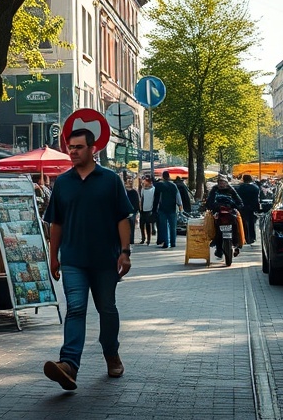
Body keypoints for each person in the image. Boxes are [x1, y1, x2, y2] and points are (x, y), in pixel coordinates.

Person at [42, 128, 133, 391]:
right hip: (73, 260)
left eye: (78, 147)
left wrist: (125, 253)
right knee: (76, 309)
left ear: (93, 149)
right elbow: (55, 223)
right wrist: (53, 257)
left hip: (106, 259)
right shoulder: (62, 182)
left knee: (107, 309)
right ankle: (68, 365)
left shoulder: (110, 180)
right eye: (70, 147)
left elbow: (122, 219)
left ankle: (111, 353)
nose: (73, 151)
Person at [206, 174, 244, 257]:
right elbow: (209, 201)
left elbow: (239, 201)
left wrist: (238, 206)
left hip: (230, 212)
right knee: (214, 226)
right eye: (219, 182)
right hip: (218, 213)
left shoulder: (231, 190)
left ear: (226, 183)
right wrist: (211, 206)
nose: (221, 184)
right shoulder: (214, 190)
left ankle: (236, 244)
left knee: (236, 224)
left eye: (223, 182)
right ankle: (218, 247)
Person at [153, 171, 182, 249]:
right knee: (173, 226)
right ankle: (173, 242)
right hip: (172, 208)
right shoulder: (173, 185)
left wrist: (155, 208)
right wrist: (180, 205)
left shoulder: (160, 185)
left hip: (162, 208)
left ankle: (166, 242)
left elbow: (156, 197)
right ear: (169, 176)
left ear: (163, 176)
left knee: (164, 226)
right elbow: (177, 196)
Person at [235, 174, 261, 244]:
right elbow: (257, 199)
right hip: (252, 208)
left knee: (243, 223)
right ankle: (252, 237)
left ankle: (245, 237)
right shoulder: (255, 188)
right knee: (252, 223)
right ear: (251, 179)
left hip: (242, 207)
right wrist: (257, 208)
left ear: (243, 179)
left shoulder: (239, 188)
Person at [139, 176, 156, 245]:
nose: (144, 182)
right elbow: (141, 198)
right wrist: (140, 208)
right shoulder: (143, 189)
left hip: (149, 209)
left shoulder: (153, 189)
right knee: (141, 225)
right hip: (143, 209)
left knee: (148, 225)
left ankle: (148, 239)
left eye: (146, 181)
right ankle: (143, 238)